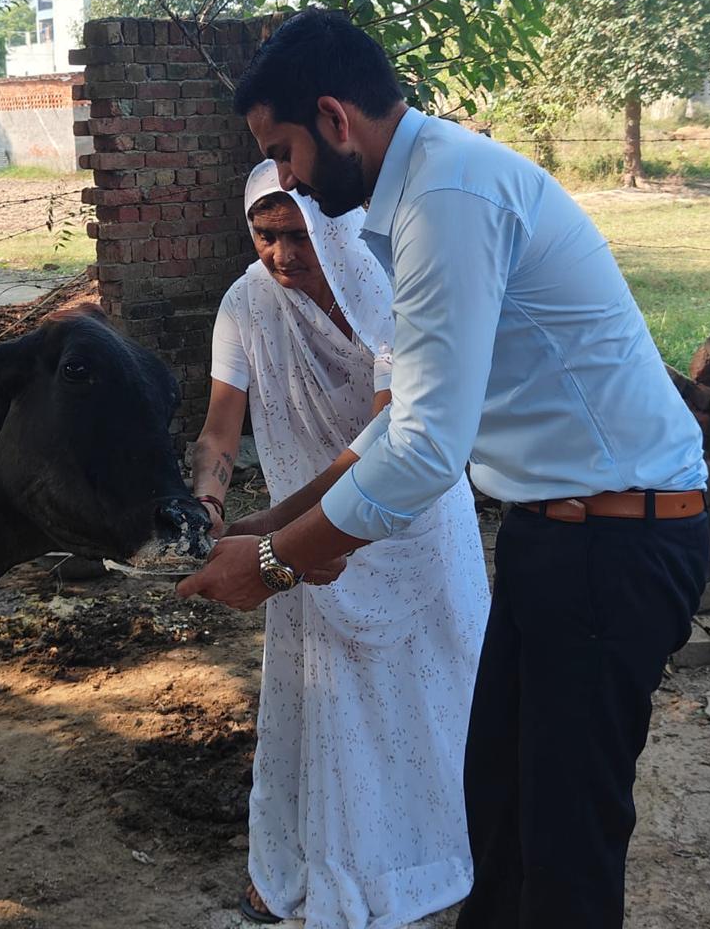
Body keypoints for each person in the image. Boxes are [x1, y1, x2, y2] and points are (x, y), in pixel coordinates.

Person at [179, 9, 710, 929]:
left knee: (563, 848)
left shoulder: (447, 199)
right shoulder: (421, 195)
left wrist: (273, 564)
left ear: (335, 118)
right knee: (498, 813)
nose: (287, 179)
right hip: (557, 536)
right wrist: (271, 526)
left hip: (615, 542)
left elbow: (425, 449)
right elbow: (407, 424)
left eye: (285, 152)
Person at [191, 159, 489, 928]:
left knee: (429, 701)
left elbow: (388, 440)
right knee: (323, 705)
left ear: (332, 228)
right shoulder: (245, 304)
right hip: (307, 543)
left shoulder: (386, 287)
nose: (281, 254)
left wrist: (273, 531)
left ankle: (435, 856)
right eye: (264, 234)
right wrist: (209, 503)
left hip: (408, 524)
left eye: (298, 235)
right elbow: (220, 427)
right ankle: (305, 863)